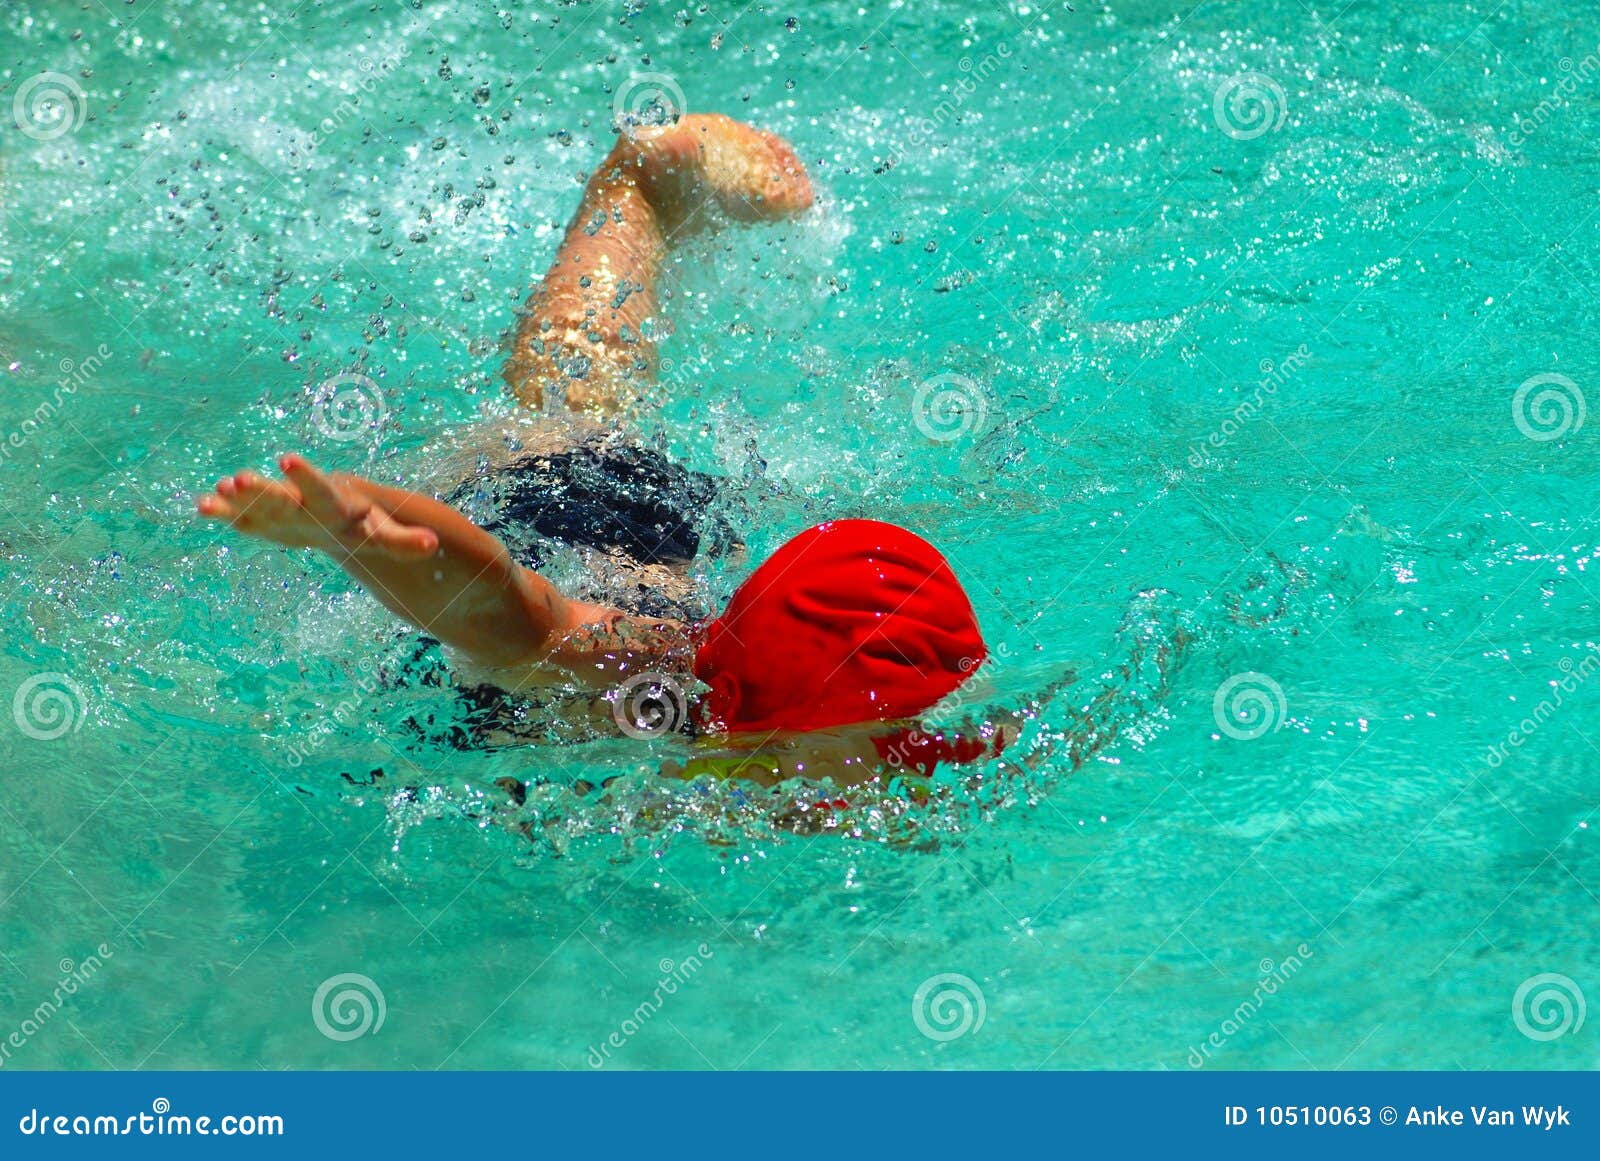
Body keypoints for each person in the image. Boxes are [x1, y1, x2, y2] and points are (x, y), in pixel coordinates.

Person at [198, 113, 1004, 782]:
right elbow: (507, 608)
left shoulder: (812, 716)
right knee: (560, 406)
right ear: (772, 727)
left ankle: (645, 191)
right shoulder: (637, 683)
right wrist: (365, 536)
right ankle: (639, 184)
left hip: (654, 538)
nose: (923, 771)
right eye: (898, 754)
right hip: (536, 510)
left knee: (585, 399)